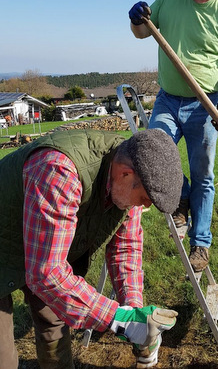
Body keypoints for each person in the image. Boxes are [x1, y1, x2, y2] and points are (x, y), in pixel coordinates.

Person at [0, 128, 183, 369]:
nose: (144, 206)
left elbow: (125, 249)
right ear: (125, 174)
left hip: (39, 243)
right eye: (145, 198)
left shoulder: (132, 169)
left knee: (55, 319)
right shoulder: (60, 171)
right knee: (3, 357)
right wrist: (118, 320)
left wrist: (136, 316)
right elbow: (47, 274)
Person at [128, 0, 218, 272]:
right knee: (151, 152)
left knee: (204, 174)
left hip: (206, 106)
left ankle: (200, 243)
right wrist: (136, 18)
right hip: (168, 100)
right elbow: (143, 32)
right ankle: (180, 196)